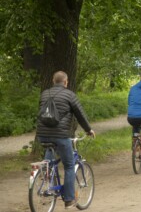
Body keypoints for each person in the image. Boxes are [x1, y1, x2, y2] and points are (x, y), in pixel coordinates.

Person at [36, 71, 96, 210]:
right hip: (61, 135)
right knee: (69, 165)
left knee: (50, 157)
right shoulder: (69, 95)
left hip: (43, 135)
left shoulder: (44, 94)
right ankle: (69, 200)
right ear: (66, 82)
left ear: (53, 80)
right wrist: (88, 130)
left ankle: (46, 175)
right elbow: (80, 114)